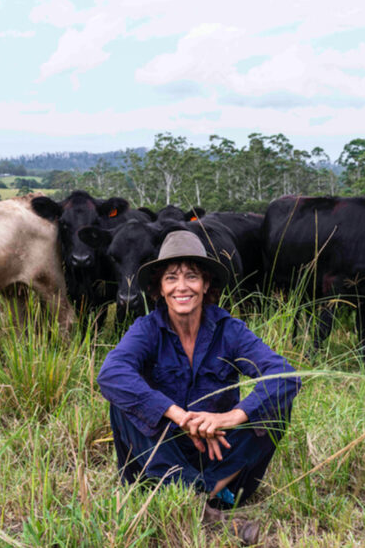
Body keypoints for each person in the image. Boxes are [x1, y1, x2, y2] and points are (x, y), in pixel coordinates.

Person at [97, 230, 301, 540]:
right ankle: (202, 507)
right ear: (159, 289)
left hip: (218, 454)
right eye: (171, 278)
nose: (182, 287)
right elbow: (111, 374)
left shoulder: (228, 329)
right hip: (162, 452)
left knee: (274, 407)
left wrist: (229, 417)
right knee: (123, 402)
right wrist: (178, 417)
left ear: (206, 285)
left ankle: (202, 496)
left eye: (191, 276)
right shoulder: (147, 329)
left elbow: (285, 375)